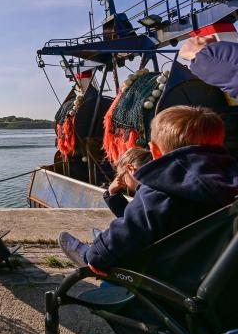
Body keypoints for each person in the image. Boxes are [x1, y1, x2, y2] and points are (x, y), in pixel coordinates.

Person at [58, 105, 238, 285]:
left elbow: (125, 234)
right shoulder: (231, 186)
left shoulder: (160, 192)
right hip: (223, 287)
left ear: (155, 151)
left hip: (173, 288)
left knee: (102, 252)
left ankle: (85, 254)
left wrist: (95, 254)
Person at [102, 147, 152, 218]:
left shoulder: (147, 195)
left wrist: (112, 195)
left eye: (124, 177)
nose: (124, 184)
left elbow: (134, 221)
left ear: (130, 168)